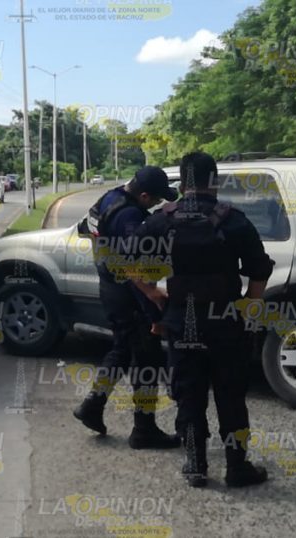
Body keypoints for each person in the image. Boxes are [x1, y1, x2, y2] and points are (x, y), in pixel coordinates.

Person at [133, 152, 271, 487]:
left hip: (181, 320)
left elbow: (131, 266)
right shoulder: (234, 220)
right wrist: (249, 311)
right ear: (215, 181)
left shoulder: (161, 220)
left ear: (181, 183)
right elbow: (258, 271)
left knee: (189, 393)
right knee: (231, 395)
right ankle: (237, 467)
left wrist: (155, 295)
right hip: (226, 321)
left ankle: (196, 465)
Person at [72, 166, 181, 449]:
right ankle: (144, 430)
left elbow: (88, 230)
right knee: (147, 360)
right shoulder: (130, 216)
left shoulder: (109, 197)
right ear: (143, 194)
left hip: (109, 287)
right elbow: (129, 261)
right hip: (130, 291)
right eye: (155, 199)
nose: (158, 204)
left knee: (121, 349)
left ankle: (92, 406)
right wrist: (151, 294)